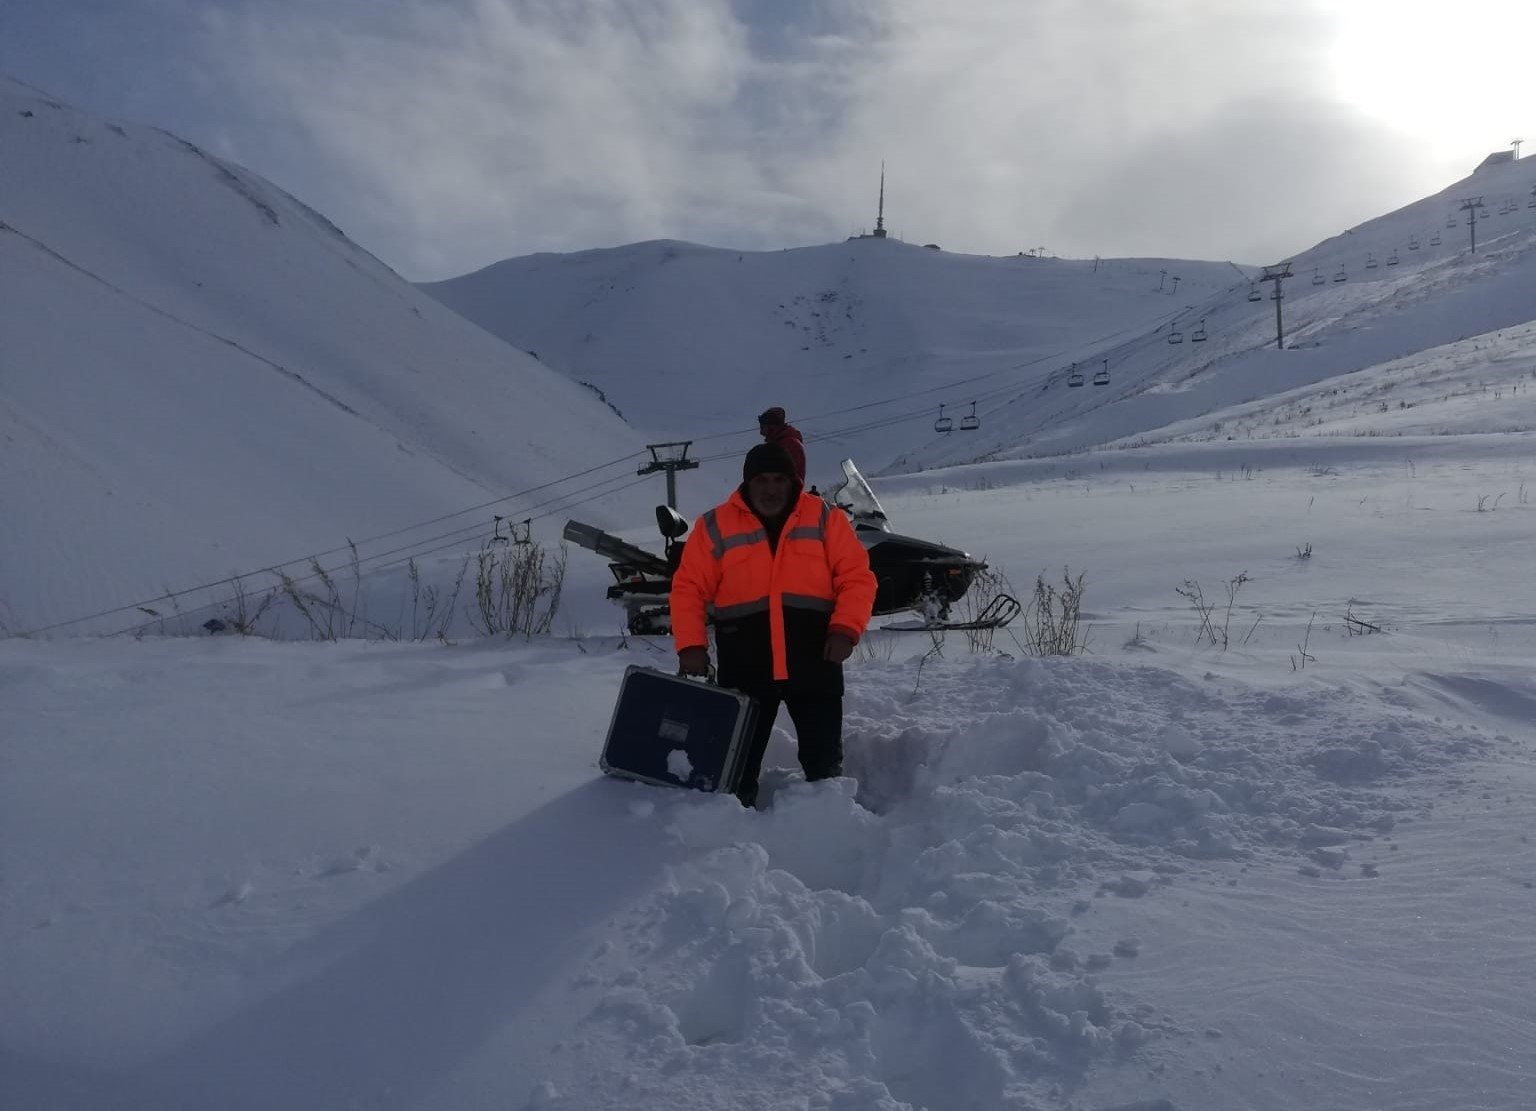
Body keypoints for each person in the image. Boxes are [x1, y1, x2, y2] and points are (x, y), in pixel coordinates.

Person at [671, 442, 877, 807]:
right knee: (736, 767)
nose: (770, 488)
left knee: (824, 765)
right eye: (762, 479)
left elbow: (857, 577)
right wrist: (691, 645)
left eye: (779, 479)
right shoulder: (714, 526)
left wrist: (845, 629)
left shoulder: (824, 518)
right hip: (745, 665)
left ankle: (831, 824)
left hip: (816, 661)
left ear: (793, 482)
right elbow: (688, 589)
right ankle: (734, 836)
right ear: (747, 483)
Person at [757, 406, 806, 484]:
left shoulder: (788, 444)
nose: (761, 432)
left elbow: (788, 475)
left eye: (763, 426)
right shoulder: (778, 443)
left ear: (771, 426)